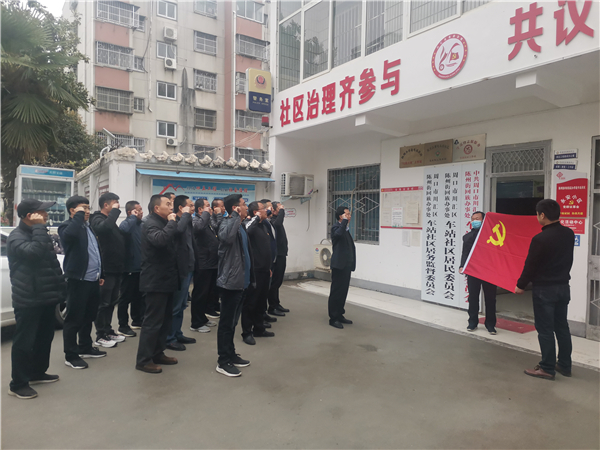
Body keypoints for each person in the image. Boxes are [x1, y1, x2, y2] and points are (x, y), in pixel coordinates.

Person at [7, 199, 66, 399]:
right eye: (42, 212)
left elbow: (51, 263)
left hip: (46, 296)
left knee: (44, 337)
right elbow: (34, 253)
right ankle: (18, 384)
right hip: (28, 298)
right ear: (29, 215)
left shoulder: (38, 233)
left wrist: (60, 288)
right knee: (25, 342)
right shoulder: (17, 236)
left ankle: (36, 372)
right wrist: (40, 228)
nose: (46, 215)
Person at [516, 199, 575, 380]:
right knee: (562, 327)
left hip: (545, 290)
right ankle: (564, 364)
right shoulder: (569, 234)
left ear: (542, 215)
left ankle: (547, 368)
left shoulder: (540, 239)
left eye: (537, 214)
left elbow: (530, 265)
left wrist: (521, 285)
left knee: (545, 329)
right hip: (563, 287)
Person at [59, 196, 111, 372]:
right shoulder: (67, 227)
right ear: (72, 210)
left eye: (88, 208)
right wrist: (78, 217)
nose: (87, 211)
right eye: (83, 208)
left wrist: (101, 273)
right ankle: (71, 355)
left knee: (89, 316)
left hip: (93, 279)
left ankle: (85, 347)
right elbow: (70, 236)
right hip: (78, 280)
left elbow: (95, 251)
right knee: (74, 319)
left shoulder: (88, 227)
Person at [135, 194, 179, 374]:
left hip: (166, 279)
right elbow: (160, 240)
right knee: (152, 322)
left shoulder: (163, 222)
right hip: (155, 280)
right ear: (156, 208)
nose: (171, 207)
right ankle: (143, 360)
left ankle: (158, 353)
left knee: (165, 321)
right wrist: (172, 222)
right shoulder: (150, 223)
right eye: (168, 204)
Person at [215, 194, 252, 377]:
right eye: (243, 205)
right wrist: (235, 216)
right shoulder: (226, 223)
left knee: (232, 323)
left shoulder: (241, 225)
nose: (246, 207)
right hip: (230, 283)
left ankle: (231, 354)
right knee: (226, 324)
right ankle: (223, 361)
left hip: (241, 282)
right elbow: (227, 239)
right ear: (235, 208)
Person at [90, 193, 126, 346]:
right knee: (103, 303)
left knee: (111, 302)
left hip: (116, 268)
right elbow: (103, 229)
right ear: (106, 205)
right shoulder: (97, 218)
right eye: (115, 203)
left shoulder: (109, 220)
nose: (118, 205)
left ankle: (108, 330)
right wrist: (115, 212)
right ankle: (100, 335)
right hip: (106, 269)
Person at [241, 201, 275, 345]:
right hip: (254, 271)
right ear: (256, 212)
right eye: (263, 209)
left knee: (261, 302)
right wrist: (255, 218)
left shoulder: (263, 225)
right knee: (251, 303)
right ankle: (247, 332)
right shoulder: (249, 224)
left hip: (265, 270)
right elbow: (247, 230)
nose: (266, 210)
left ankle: (259, 328)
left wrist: (269, 268)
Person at [166, 195, 197, 351]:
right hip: (178, 270)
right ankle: (169, 338)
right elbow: (178, 232)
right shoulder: (175, 221)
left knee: (182, 305)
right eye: (190, 205)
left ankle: (177, 333)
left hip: (188, 268)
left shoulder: (188, 221)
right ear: (181, 208)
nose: (193, 208)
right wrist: (185, 216)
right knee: (175, 306)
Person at [459, 211, 497, 334]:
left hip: (489, 272)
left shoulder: (492, 236)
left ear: (484, 220)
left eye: (477, 219)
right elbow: (465, 253)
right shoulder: (468, 237)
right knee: (473, 297)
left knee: (490, 299)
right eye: (473, 219)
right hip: (473, 271)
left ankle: (490, 324)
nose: (475, 221)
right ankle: (472, 322)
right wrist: (462, 266)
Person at [190, 199, 222, 333]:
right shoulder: (196, 220)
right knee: (200, 293)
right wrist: (206, 214)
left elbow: (218, 228)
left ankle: (203, 318)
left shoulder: (207, 221)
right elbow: (198, 229)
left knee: (208, 293)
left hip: (211, 262)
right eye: (207, 206)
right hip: (202, 263)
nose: (210, 208)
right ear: (200, 209)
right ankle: (196, 323)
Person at [117, 201, 144, 334]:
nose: (141, 212)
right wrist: (132, 217)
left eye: (141, 209)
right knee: (125, 298)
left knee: (138, 296)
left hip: (140, 267)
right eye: (138, 210)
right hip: (129, 268)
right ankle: (123, 325)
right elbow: (124, 230)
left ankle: (137, 320)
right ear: (130, 212)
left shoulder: (141, 225)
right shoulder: (126, 224)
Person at [328, 206, 356, 329]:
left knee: (343, 291)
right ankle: (333, 318)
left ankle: (340, 314)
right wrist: (344, 222)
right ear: (340, 216)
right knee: (336, 292)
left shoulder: (346, 229)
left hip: (346, 265)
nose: (349, 216)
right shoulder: (336, 227)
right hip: (338, 266)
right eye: (347, 214)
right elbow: (338, 235)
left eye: (349, 214)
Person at [268, 201, 290, 316]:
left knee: (278, 281)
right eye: (279, 209)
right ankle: (272, 307)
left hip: (282, 254)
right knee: (274, 282)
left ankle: (276, 303)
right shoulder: (272, 221)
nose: (282, 211)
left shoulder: (277, 219)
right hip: (277, 255)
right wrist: (281, 210)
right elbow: (278, 223)